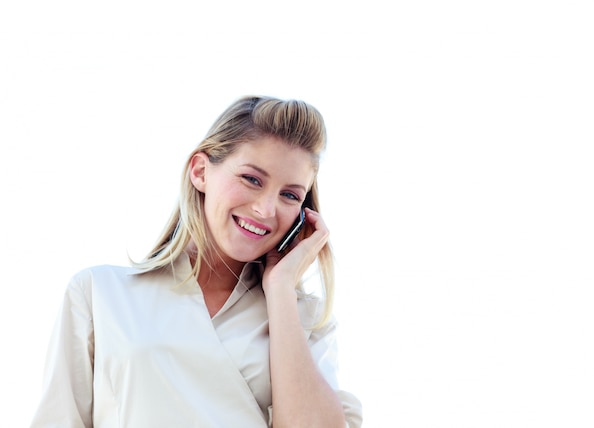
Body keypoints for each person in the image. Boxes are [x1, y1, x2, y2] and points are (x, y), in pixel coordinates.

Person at [30, 95, 362, 427]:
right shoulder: (99, 293)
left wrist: (280, 290)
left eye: (289, 195)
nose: (266, 210)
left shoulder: (305, 319)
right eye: (252, 179)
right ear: (200, 171)